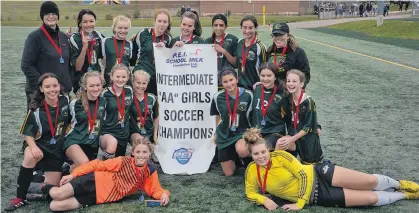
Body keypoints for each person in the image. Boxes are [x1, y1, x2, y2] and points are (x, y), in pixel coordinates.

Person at [243, 128, 419, 211]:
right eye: (256, 154)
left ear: (269, 149)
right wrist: (263, 200)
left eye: (263, 152)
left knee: (369, 182)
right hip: (318, 195)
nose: (261, 157)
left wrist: (299, 203)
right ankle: (405, 194)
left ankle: (399, 184)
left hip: (319, 173)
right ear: (251, 155)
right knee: (371, 198)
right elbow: (250, 192)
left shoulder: (281, 157)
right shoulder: (251, 171)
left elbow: (303, 174)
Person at [33, 137, 170, 211]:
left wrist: (164, 195)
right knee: (57, 194)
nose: (141, 155)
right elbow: (96, 164)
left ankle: (41, 194)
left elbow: (155, 189)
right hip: (92, 181)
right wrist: (73, 175)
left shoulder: (150, 172)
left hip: (98, 198)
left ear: (150, 154)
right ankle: (40, 187)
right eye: (138, 152)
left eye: (145, 152)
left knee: (55, 206)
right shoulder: (122, 161)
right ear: (133, 152)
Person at [5, 73, 70, 211]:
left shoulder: (65, 100)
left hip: (56, 149)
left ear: (59, 86)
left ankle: (33, 183)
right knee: (30, 155)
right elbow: (27, 134)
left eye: (55, 85)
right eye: (47, 87)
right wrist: (34, 147)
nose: (52, 89)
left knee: (53, 191)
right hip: (39, 145)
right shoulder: (35, 109)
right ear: (41, 89)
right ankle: (20, 197)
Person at [21, 1, 72, 110]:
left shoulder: (63, 37)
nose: (51, 16)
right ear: (42, 16)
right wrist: (45, 84)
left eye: (54, 14)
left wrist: (68, 84)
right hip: (40, 94)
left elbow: (67, 64)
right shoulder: (34, 37)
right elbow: (26, 65)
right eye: (47, 14)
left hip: (61, 92)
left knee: (61, 126)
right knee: (40, 125)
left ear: (57, 16)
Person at [210, 67, 253, 176]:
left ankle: (245, 161)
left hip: (242, 132)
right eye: (225, 82)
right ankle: (237, 159)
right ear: (221, 83)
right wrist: (216, 133)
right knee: (228, 173)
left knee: (242, 150)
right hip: (225, 134)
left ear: (237, 79)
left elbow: (253, 115)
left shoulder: (249, 95)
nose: (229, 84)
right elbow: (217, 116)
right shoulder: (217, 97)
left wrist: (252, 133)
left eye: (231, 80)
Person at [276, 69, 323, 164]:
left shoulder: (308, 101)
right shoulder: (288, 99)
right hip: (294, 136)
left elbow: (308, 127)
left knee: (310, 169)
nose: (290, 84)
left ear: (301, 84)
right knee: (280, 143)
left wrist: (291, 139)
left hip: (307, 139)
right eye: (288, 81)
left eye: (294, 81)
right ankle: (276, 170)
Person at [64, 71, 106, 168]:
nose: (95, 89)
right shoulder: (75, 103)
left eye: (98, 85)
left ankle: (68, 170)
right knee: (85, 165)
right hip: (74, 141)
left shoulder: (103, 101)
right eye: (91, 86)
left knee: (85, 174)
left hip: (91, 143)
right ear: (85, 87)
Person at [251, 62, 295, 154]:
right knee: (244, 148)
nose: (265, 79)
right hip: (258, 130)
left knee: (264, 147)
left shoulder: (283, 94)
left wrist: (290, 136)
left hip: (275, 131)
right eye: (262, 75)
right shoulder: (257, 89)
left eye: (269, 75)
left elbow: (290, 117)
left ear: (275, 77)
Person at [131, 9, 172, 96]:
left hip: (158, 78)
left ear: (168, 24)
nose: (162, 24)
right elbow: (133, 52)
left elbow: (171, 59)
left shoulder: (168, 39)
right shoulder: (142, 34)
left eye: (165, 22)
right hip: (142, 76)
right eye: (159, 21)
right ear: (154, 21)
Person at [100, 64, 133, 159]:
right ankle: (104, 167)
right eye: (117, 76)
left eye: (123, 77)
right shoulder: (105, 93)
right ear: (111, 76)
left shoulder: (129, 90)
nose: (120, 79)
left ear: (128, 78)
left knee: (118, 161)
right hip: (109, 131)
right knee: (111, 150)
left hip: (123, 132)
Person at [69, 9, 105, 93]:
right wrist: (84, 48)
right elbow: (78, 67)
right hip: (81, 81)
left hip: (96, 79)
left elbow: (104, 60)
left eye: (91, 21)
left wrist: (102, 74)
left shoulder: (99, 37)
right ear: (80, 23)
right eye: (85, 22)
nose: (89, 25)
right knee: (83, 104)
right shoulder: (74, 39)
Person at [266, 22, 310, 87]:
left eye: (281, 35)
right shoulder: (269, 51)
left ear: (288, 36)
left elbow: (306, 75)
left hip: (291, 91)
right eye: (275, 35)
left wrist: (296, 88)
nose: (278, 38)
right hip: (273, 90)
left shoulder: (298, 52)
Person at [205, 14, 238, 91]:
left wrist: (223, 51)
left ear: (226, 26)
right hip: (212, 82)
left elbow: (235, 63)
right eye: (215, 25)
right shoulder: (207, 41)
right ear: (212, 26)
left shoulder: (233, 39)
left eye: (221, 25)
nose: (218, 28)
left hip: (228, 82)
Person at [236, 15, 267, 90]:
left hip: (254, 87)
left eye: (250, 28)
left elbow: (265, 69)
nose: (247, 31)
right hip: (240, 87)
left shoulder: (260, 47)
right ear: (241, 27)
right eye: (244, 27)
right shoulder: (240, 42)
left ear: (255, 28)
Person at [101, 15, 133, 86]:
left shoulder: (129, 44)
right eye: (120, 28)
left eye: (126, 28)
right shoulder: (106, 41)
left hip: (124, 80)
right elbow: (103, 61)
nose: (123, 30)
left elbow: (129, 63)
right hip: (109, 79)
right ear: (114, 28)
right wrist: (102, 74)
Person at [129, 70, 159, 144]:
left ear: (147, 84)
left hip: (149, 133)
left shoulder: (152, 98)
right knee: (140, 141)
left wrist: (155, 135)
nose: (141, 86)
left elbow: (156, 117)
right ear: (132, 82)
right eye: (138, 83)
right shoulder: (129, 97)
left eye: (144, 83)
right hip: (134, 134)